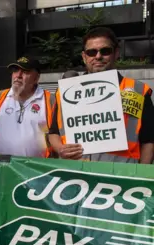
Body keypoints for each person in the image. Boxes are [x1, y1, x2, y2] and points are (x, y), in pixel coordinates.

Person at [48, 27, 154, 164]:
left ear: (116, 53)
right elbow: (53, 132)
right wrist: (60, 149)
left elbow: (149, 140)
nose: (98, 56)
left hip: (121, 176)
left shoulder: (138, 90)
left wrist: (140, 177)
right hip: (76, 174)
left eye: (105, 51)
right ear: (84, 57)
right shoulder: (65, 92)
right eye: (91, 52)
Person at [0, 57, 55, 157]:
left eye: (25, 72)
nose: (18, 75)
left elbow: (58, 137)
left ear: (36, 78)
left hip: (37, 169)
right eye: (15, 71)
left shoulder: (50, 101)